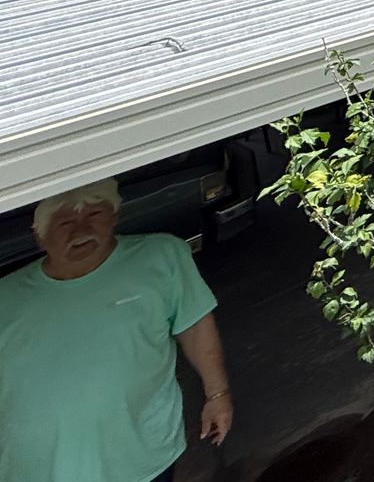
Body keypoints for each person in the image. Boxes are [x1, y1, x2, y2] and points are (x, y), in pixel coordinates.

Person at [0, 178, 233, 482]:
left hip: (141, 458)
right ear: (39, 237)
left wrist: (218, 394)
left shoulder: (162, 256)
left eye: (94, 215)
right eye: (65, 222)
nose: (81, 231)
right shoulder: (7, 296)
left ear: (114, 216)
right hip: (37, 469)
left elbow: (195, 325)